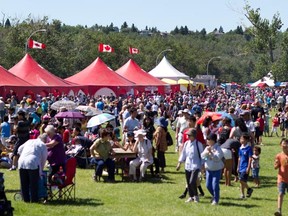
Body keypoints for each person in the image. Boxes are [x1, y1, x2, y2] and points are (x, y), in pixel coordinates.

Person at [17, 133, 48, 203]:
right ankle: (34, 200)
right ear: (45, 140)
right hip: (33, 162)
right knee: (33, 183)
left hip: (22, 161)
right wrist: (41, 169)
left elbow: (19, 149)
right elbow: (44, 158)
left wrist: (24, 154)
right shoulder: (43, 145)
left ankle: (26, 200)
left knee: (24, 183)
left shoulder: (29, 141)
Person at [176, 128, 204, 203]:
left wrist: (202, 166)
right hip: (187, 165)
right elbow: (183, 154)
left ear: (194, 136)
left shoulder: (198, 144)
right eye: (187, 135)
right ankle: (191, 197)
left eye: (189, 135)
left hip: (196, 165)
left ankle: (196, 196)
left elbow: (202, 155)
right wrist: (179, 163)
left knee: (192, 181)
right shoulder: (186, 143)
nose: (188, 136)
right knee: (188, 182)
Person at [201, 133, 224, 205]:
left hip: (217, 169)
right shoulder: (207, 148)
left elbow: (217, 158)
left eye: (209, 139)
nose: (207, 141)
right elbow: (202, 157)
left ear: (213, 140)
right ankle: (214, 196)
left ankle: (216, 200)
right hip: (209, 169)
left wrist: (211, 153)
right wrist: (206, 154)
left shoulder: (218, 148)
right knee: (208, 185)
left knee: (215, 184)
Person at [274, 138, 288, 216]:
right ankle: (279, 210)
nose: (285, 145)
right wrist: (277, 163)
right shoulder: (279, 155)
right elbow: (275, 167)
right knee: (280, 193)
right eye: (283, 143)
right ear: (280, 145)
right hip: (281, 178)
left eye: (286, 143)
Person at [237, 133, 253, 199]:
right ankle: (242, 194)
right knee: (242, 182)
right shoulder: (240, 148)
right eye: (240, 139)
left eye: (242, 139)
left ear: (246, 140)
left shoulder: (249, 148)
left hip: (245, 167)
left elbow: (250, 158)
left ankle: (249, 189)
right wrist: (238, 166)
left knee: (241, 180)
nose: (241, 140)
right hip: (240, 166)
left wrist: (248, 167)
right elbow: (239, 158)